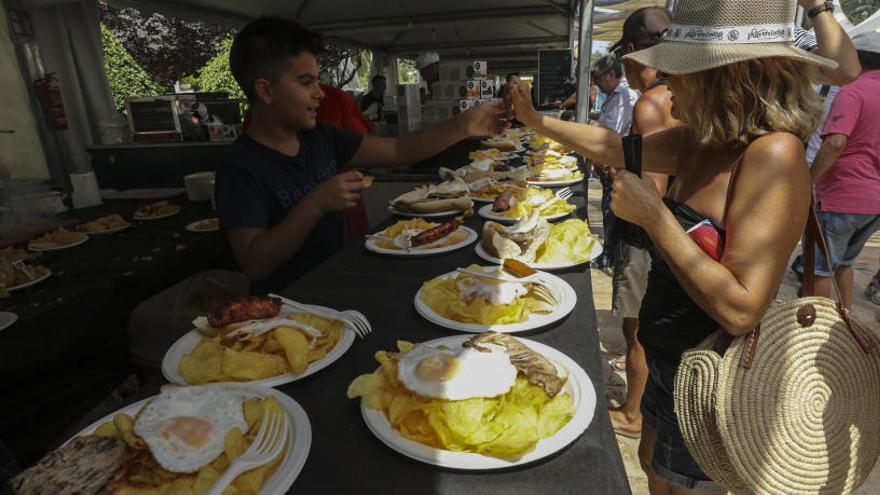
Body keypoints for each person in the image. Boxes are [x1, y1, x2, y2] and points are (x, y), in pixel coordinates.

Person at [507, 0, 856, 492]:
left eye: (680, 74)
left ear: (724, 77)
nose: (669, 89)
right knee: (654, 468)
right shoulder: (706, 139)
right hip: (671, 364)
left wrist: (655, 217)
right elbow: (612, 147)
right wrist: (537, 122)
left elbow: (741, 310)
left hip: (713, 382)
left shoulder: (773, 154)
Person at [215, 18, 505, 294]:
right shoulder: (240, 166)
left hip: (340, 286)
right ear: (265, 90)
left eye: (318, 81)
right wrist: (316, 204)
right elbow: (255, 263)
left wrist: (463, 125)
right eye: (306, 82)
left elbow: (398, 150)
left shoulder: (322, 138)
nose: (321, 93)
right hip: (288, 311)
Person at [604, 6, 679, 441]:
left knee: (636, 330)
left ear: (633, 53)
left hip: (646, 239)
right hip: (673, 237)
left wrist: (619, 177)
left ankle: (633, 412)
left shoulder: (651, 104)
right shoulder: (683, 96)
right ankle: (643, 410)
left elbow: (651, 191)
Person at [809, 31, 880, 310]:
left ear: (856, 59)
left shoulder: (854, 91)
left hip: (843, 195)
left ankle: (810, 327)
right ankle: (845, 320)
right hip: (873, 202)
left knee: (820, 268)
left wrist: (809, 182)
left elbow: (835, 143)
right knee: (844, 264)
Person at [592, 54, 640, 269]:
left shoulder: (623, 95)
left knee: (612, 211)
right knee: (608, 210)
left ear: (612, 74)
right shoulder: (615, 95)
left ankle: (608, 256)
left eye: (598, 78)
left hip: (616, 166)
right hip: (609, 166)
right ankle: (609, 252)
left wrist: (586, 132)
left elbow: (611, 133)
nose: (596, 84)